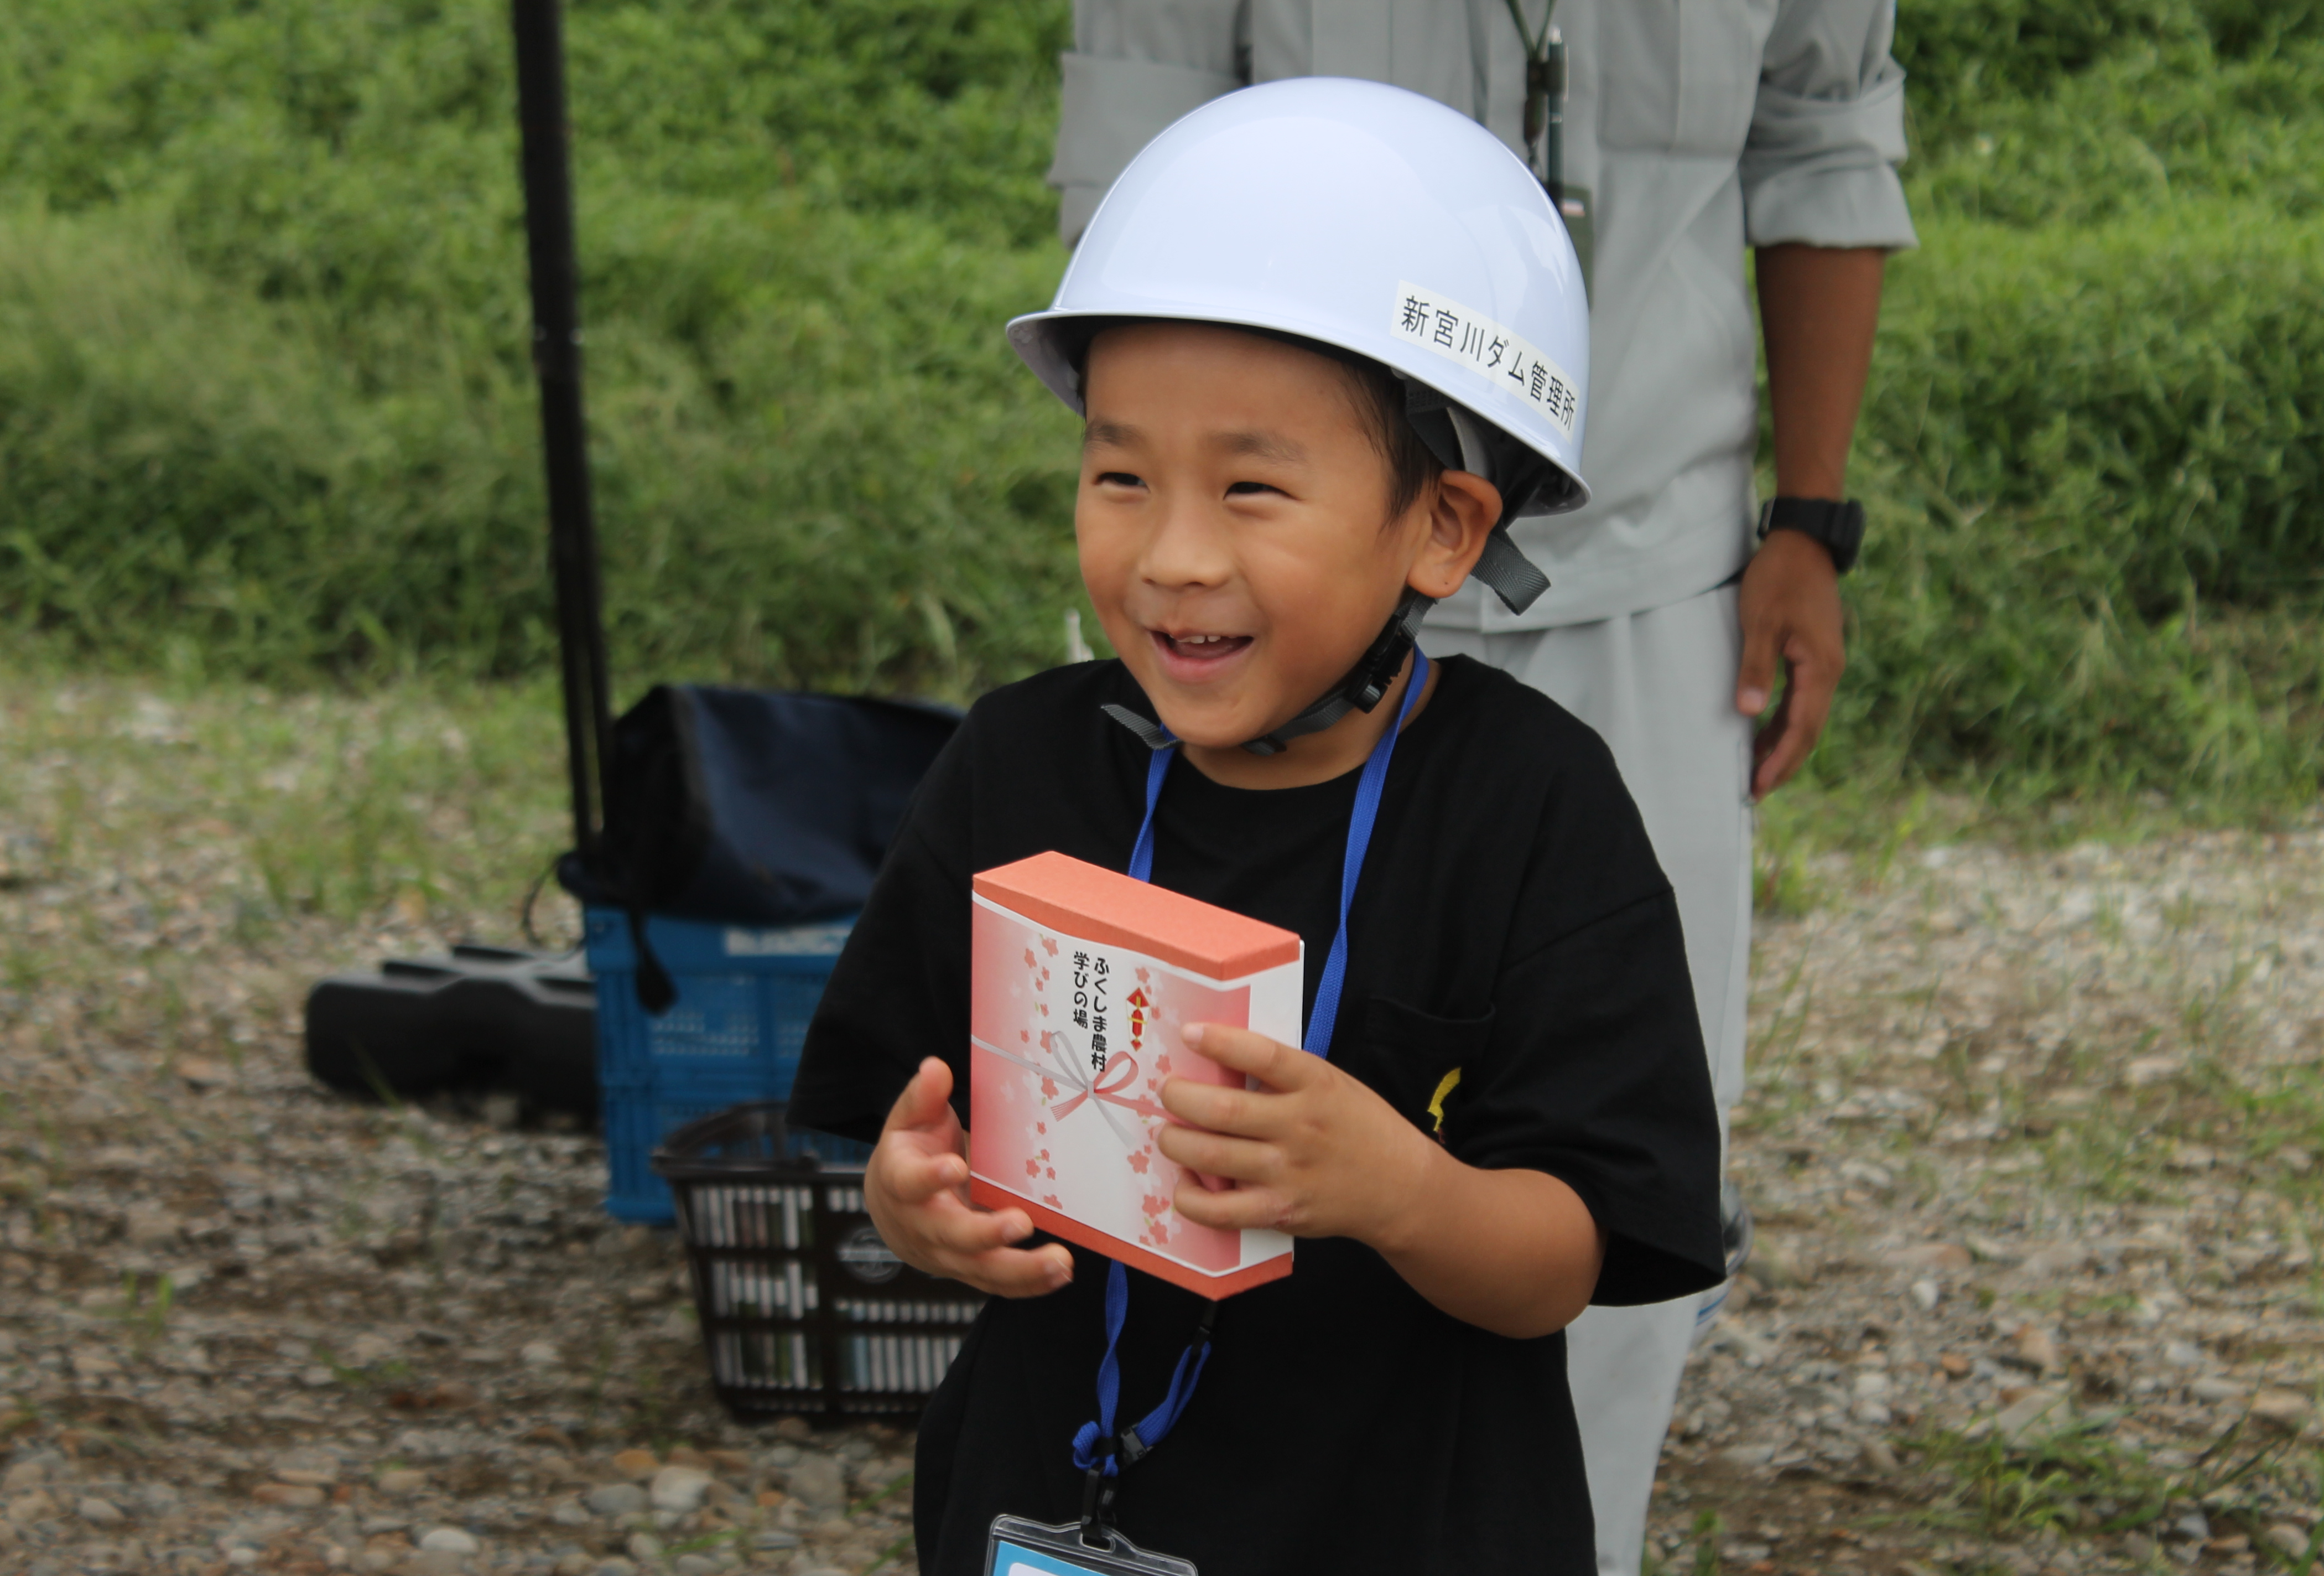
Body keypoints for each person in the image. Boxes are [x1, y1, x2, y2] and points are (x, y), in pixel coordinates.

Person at [789, 80, 1721, 1576]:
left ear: (1444, 529)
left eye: (1251, 489)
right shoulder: (1017, 764)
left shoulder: (1532, 813)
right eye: (1119, 476)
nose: (1173, 557)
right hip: (1043, 1502)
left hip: (1407, 1525)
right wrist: (918, 1212)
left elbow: (1576, 1256)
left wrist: (1401, 1189)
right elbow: (921, 1126)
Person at [1048, 6, 1916, 1568]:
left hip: (1652, 554)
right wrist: (1196, 531)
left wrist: (1812, 515)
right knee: (1172, 1132)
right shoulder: (1042, 732)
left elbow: (1822, 134)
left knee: (1606, 1163)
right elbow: (1133, 179)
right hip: (1277, 584)